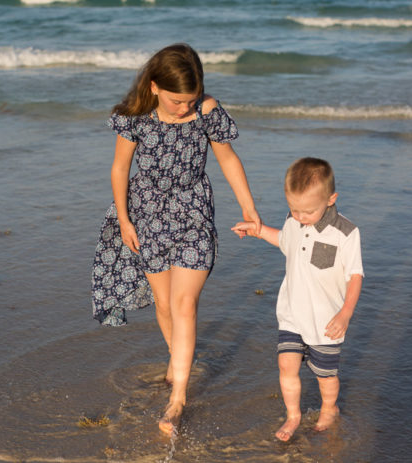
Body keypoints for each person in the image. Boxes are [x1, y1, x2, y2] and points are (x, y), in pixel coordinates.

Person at [91, 43, 261, 436]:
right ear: (154, 87)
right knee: (164, 305)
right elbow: (120, 169)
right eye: (176, 100)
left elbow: (228, 158)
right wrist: (124, 219)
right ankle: (177, 360)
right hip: (146, 216)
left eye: (190, 99)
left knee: (184, 304)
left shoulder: (206, 111)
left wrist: (249, 208)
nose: (184, 107)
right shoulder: (136, 117)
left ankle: (178, 399)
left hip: (193, 213)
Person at [232, 157, 363, 441]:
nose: (299, 216)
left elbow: (356, 276)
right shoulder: (294, 220)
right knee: (286, 366)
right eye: (293, 209)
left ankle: (329, 409)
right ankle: (293, 415)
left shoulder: (346, 233)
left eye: (307, 211)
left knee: (325, 376)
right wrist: (258, 230)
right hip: (291, 314)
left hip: (326, 322)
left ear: (331, 199)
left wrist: (345, 313)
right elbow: (283, 240)